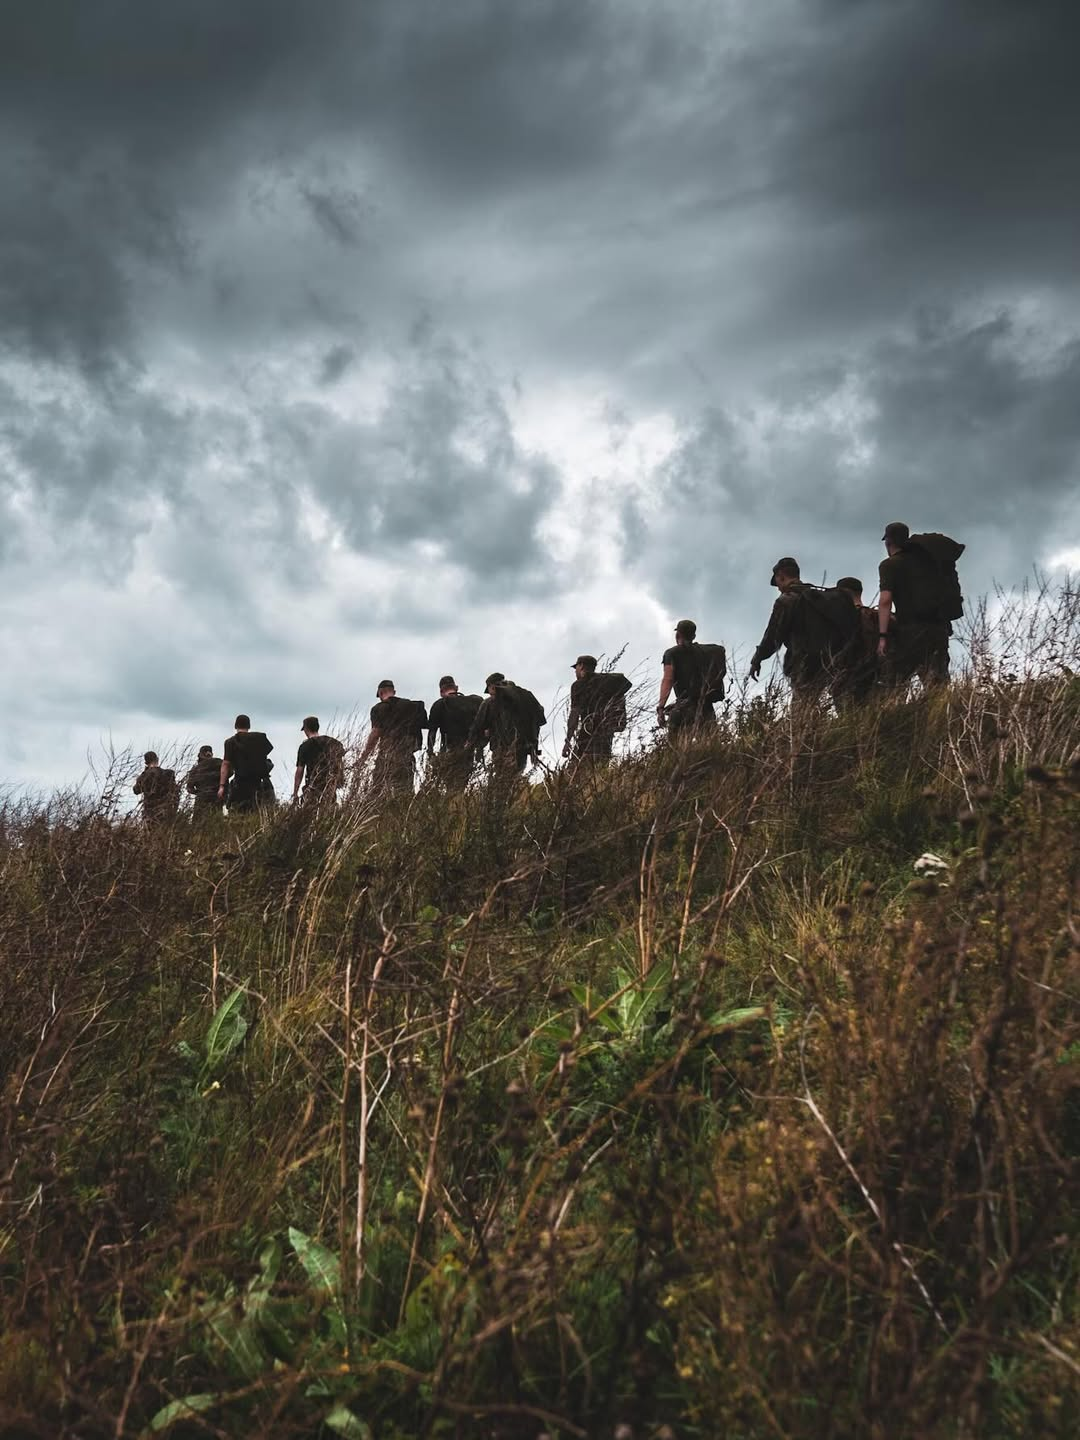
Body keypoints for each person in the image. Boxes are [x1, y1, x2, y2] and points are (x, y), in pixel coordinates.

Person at [748, 559, 857, 708]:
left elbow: (773, 636)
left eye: (778, 583)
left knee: (802, 707)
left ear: (781, 576)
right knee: (842, 703)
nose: (779, 588)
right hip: (832, 659)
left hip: (804, 663)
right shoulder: (820, 597)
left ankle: (810, 731)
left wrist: (757, 659)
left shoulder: (786, 601)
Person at [878, 522, 965, 688]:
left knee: (895, 683)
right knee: (937, 684)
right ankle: (942, 712)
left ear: (888, 542)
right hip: (938, 629)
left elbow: (885, 601)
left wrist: (882, 636)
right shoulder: (927, 562)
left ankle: (898, 713)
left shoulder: (890, 565)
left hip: (909, 630)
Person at [656, 620, 726, 739]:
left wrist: (661, 707)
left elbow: (668, 679)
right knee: (709, 747)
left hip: (683, 710)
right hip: (706, 708)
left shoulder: (671, 654)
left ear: (677, 635)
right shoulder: (708, 652)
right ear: (693, 636)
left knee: (675, 749)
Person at [468, 672, 546, 777]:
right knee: (515, 780)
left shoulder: (490, 703)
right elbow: (540, 717)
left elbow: (477, 725)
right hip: (523, 748)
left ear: (492, 687)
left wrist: (476, 745)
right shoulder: (525, 696)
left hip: (501, 750)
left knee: (501, 783)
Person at [359, 681, 427, 796]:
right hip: (407, 756)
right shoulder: (412, 706)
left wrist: (364, 756)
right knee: (404, 794)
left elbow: (376, 732)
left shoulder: (378, 709)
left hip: (386, 757)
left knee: (377, 793)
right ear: (394, 692)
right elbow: (424, 724)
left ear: (380, 693)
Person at [564, 655, 632, 764]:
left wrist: (568, 741)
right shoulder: (609, 681)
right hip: (607, 731)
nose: (575, 672)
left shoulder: (578, 685)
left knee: (578, 765)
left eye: (576, 667)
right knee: (602, 763)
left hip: (587, 731)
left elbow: (574, 714)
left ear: (581, 666)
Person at [830, 577, 881, 706]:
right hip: (878, 677)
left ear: (843, 593)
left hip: (851, 679)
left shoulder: (847, 621)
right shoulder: (879, 617)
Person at [426, 676, 483, 789]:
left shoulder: (439, 705)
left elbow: (432, 732)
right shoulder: (473, 702)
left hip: (449, 750)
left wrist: (430, 752)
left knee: (450, 785)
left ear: (441, 691)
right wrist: (479, 748)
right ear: (456, 688)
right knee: (462, 784)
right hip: (469, 751)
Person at [218, 715, 275, 812]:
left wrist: (222, 786)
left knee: (240, 812)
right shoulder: (261, 738)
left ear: (235, 726)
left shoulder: (230, 742)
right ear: (249, 726)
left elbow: (225, 764)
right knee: (262, 812)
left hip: (241, 783)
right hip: (261, 782)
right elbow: (267, 751)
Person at [293, 717, 346, 806]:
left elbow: (300, 771)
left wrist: (295, 793)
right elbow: (340, 763)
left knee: (310, 807)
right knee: (329, 807)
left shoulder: (305, 746)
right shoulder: (334, 743)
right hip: (331, 784)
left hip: (313, 784)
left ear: (306, 729)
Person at [133, 751, 179, 828]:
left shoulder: (144, 776)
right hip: (165, 810)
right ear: (157, 759)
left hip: (149, 811)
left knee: (150, 835)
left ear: (146, 762)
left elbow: (136, 790)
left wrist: (144, 773)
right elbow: (175, 791)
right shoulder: (168, 774)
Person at [185, 744, 224, 819]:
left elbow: (189, 788)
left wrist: (199, 792)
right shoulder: (219, 763)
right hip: (217, 796)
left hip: (202, 798)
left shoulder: (195, 769)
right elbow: (230, 771)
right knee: (216, 822)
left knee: (199, 823)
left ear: (200, 755)